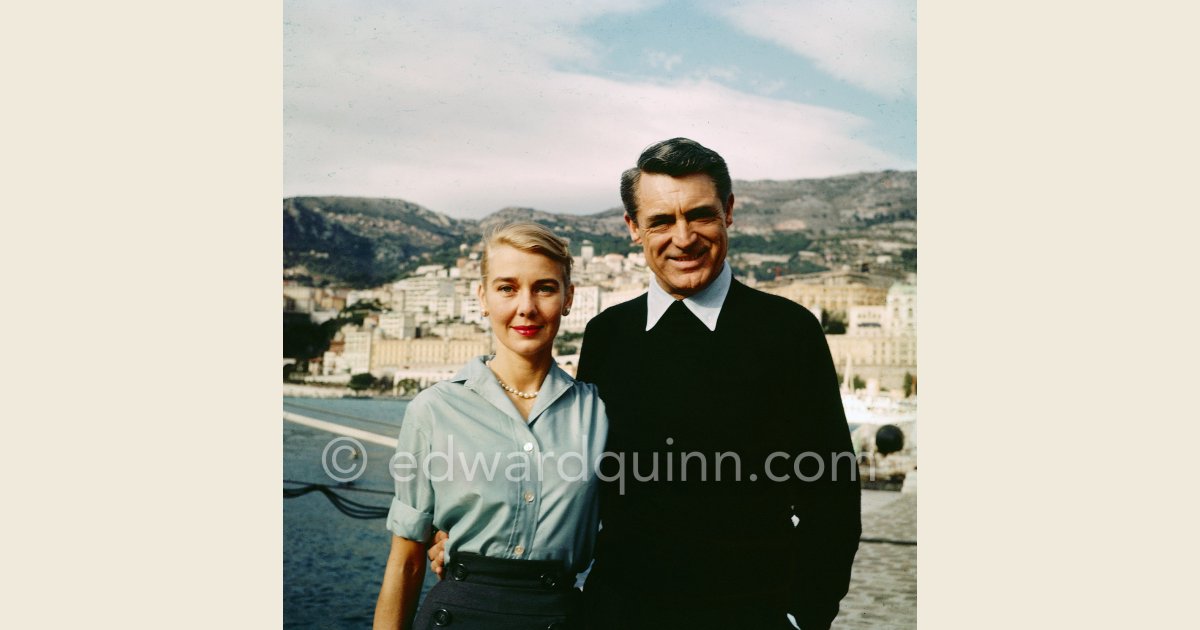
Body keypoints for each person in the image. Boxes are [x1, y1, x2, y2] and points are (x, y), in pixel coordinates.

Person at [431, 138, 861, 629]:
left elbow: (833, 495)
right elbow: (575, 475)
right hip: (616, 613)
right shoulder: (608, 333)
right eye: (660, 221)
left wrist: (804, 615)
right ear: (633, 228)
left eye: (700, 215)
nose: (683, 238)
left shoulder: (789, 331)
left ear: (729, 213)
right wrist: (473, 537)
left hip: (749, 613)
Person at [373, 222, 608, 630]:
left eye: (545, 288)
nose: (527, 307)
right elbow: (406, 563)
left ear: (569, 298)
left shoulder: (598, 411)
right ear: (482, 297)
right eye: (507, 288)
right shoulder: (433, 410)